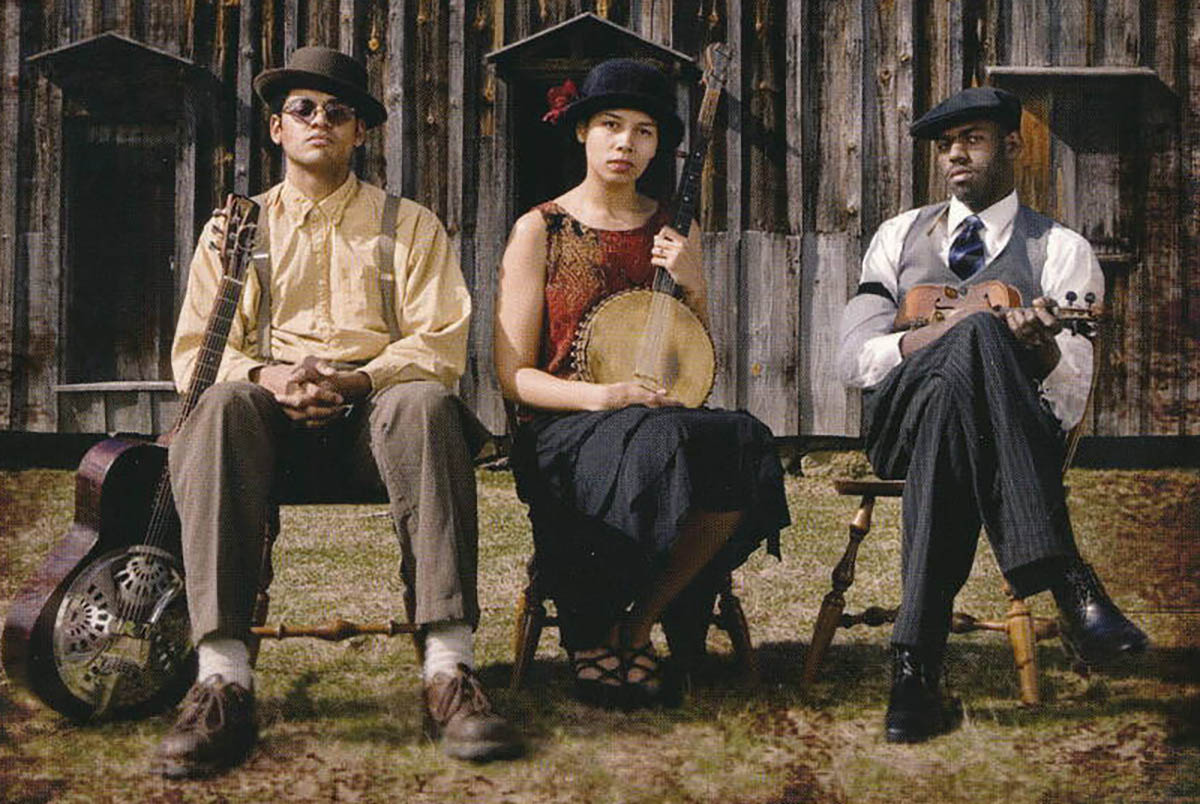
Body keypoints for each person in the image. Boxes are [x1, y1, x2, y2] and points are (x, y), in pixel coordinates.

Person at [155, 46, 521, 777]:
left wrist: (356, 381)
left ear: (360, 131)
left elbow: (439, 343)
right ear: (277, 129)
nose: (319, 120)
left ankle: (449, 670)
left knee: (426, 401)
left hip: (376, 428)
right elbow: (197, 353)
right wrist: (272, 375)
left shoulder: (409, 225)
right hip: (263, 429)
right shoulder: (235, 229)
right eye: (302, 109)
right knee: (221, 403)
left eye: (338, 111)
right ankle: (222, 680)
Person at [838, 86, 1148, 743]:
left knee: (956, 417)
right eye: (945, 144)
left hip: (1000, 435)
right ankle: (1066, 579)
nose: (955, 154)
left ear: (1013, 146)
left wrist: (1038, 351)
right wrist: (956, 331)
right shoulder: (896, 236)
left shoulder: (1060, 251)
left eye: (972, 139)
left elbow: (1067, 401)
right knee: (977, 333)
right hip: (899, 426)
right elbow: (855, 360)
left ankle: (914, 669)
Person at [494, 58, 790, 709]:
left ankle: (639, 621)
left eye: (644, 131)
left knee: (740, 439)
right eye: (611, 124)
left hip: (657, 421)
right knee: (659, 444)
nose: (626, 142)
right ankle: (591, 631)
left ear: (658, 147)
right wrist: (604, 396)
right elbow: (513, 377)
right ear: (582, 131)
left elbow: (694, 359)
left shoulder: (673, 232)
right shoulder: (540, 229)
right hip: (566, 429)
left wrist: (696, 283)